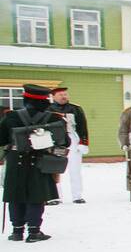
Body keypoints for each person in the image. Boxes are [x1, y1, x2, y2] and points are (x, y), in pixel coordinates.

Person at [1, 84, 69, 241]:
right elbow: (65, 142)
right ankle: (34, 231)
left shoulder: (11, 117)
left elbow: (2, 138)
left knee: (15, 195)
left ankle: (17, 231)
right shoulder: (54, 118)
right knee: (36, 195)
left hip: (15, 159)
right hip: (39, 160)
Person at [48, 86, 89, 204]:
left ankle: (77, 195)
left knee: (75, 169)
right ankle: (55, 196)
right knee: (54, 169)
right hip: (56, 142)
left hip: (72, 139)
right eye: (61, 94)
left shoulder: (76, 109)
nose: (64, 96)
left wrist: (83, 142)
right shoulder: (48, 109)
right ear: (53, 96)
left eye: (65, 94)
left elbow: (82, 126)